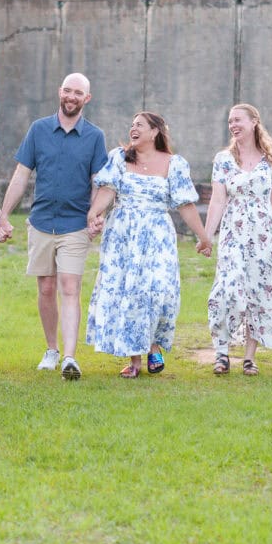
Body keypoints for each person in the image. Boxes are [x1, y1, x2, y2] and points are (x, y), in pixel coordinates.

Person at [0, 72, 107, 381]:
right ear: (60, 92)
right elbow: (21, 175)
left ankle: (70, 357)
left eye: (78, 93)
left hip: (75, 225)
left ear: (87, 98)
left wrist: (95, 215)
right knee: (46, 288)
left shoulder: (95, 137)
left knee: (70, 287)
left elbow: (99, 182)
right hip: (42, 221)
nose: (71, 97)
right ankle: (52, 350)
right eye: (67, 91)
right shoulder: (39, 129)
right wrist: (4, 215)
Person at [83, 112, 212, 377]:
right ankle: (135, 361)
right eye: (131, 125)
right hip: (123, 234)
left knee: (159, 290)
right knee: (130, 292)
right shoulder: (119, 157)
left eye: (139, 125)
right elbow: (107, 190)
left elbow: (185, 204)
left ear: (155, 132)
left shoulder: (174, 163)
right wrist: (94, 214)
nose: (133, 129)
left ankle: (154, 344)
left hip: (157, 235)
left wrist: (203, 236)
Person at [204, 103, 272, 375]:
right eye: (230, 121)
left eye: (238, 120)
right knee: (227, 291)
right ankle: (222, 352)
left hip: (264, 235)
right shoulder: (223, 160)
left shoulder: (271, 161)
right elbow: (217, 201)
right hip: (234, 233)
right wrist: (207, 236)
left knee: (257, 292)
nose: (233, 125)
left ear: (254, 122)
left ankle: (250, 357)